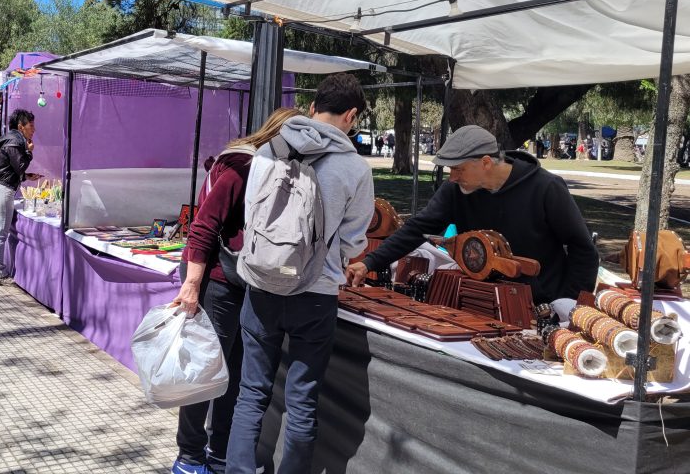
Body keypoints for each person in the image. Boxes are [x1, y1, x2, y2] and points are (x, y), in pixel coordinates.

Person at [227, 73, 374, 474]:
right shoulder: (355, 169)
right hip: (316, 293)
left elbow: (252, 217)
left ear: (312, 108)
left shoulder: (265, 153)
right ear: (351, 115)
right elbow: (354, 242)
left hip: (260, 285)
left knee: (251, 394)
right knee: (302, 403)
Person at [169, 107, 300, 474]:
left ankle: (220, 453)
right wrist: (192, 286)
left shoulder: (275, 168)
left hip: (245, 281)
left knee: (234, 372)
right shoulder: (243, 166)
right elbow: (203, 226)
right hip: (215, 279)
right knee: (207, 370)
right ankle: (190, 457)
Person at [346, 125, 599, 305]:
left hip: (544, 304)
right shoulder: (455, 190)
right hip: (481, 299)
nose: (452, 177)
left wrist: (568, 304)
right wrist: (369, 263)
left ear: (486, 162)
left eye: (458, 169)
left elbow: (583, 250)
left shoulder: (545, 188)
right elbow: (417, 229)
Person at [0, 109, 41, 286]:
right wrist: (29, 152)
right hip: (3, 190)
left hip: (1, 188)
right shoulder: (15, 142)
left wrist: (26, 177)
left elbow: (10, 169)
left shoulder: (12, 140)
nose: (33, 130)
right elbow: (20, 165)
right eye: (31, 126)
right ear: (21, 126)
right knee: (0, 232)